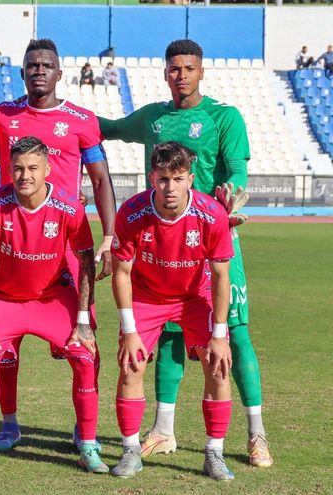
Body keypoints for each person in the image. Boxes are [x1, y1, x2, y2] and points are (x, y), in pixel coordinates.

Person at [99, 38, 270, 468]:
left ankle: (256, 434)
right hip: (158, 241)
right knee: (168, 337)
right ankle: (162, 432)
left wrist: (233, 197)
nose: (181, 75)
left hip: (213, 240)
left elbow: (238, 173)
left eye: (188, 68)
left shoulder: (223, 117)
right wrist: (62, 117)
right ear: (165, 72)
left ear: (201, 71)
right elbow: (111, 128)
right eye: (174, 68)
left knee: (233, 335)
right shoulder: (154, 118)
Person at [0, 38, 116, 451]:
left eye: (46, 64)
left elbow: (99, 179)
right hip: (16, 239)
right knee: (3, 346)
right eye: (31, 65)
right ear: (22, 72)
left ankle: (85, 429)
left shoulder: (80, 119)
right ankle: (8, 424)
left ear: (60, 73)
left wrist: (110, 236)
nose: (38, 70)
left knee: (86, 343)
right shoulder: (3, 116)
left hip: (67, 240)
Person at [0, 137, 103, 473]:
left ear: (47, 170)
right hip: (7, 300)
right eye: (18, 168)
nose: (25, 175)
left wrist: (83, 319)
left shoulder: (70, 206)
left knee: (85, 357)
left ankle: (87, 443)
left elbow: (86, 264)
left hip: (53, 298)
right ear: (9, 170)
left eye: (32, 168)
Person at [109, 141, 236, 481]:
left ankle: (214, 454)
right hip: (148, 296)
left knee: (218, 366)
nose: (170, 187)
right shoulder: (132, 213)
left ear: (190, 180)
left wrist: (220, 335)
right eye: (163, 178)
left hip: (196, 297)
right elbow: (121, 272)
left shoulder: (211, 214)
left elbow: (222, 275)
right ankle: (131, 451)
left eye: (178, 179)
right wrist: (129, 329)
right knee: (131, 364)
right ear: (152, 178)